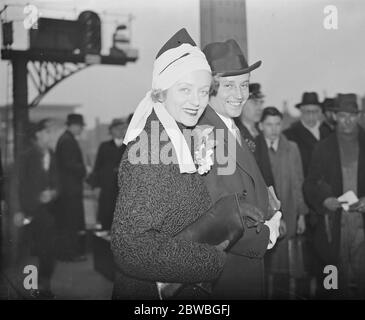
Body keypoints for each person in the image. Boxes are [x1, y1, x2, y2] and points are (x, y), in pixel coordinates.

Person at [111, 28, 234, 300]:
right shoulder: (152, 149)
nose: (196, 101)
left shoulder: (175, 137)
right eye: (185, 89)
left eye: (203, 92)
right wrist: (211, 260)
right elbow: (130, 246)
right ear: (160, 93)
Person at [198, 39, 281, 299]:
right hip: (229, 270)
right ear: (209, 88)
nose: (239, 94)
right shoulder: (206, 133)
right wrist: (264, 235)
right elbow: (214, 213)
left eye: (244, 85)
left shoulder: (232, 127)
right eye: (229, 85)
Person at [304, 93, 365, 299]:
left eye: (352, 115)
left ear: (359, 116)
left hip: (361, 225)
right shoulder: (322, 148)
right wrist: (324, 201)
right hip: (334, 224)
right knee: (335, 284)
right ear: (335, 117)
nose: (347, 120)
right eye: (342, 115)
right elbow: (310, 184)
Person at [255, 107, 308, 298]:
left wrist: (301, 214)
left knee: (285, 267)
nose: (274, 129)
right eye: (269, 124)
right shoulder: (253, 148)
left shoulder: (291, 148)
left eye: (277, 124)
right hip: (264, 216)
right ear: (260, 126)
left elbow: (298, 182)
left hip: (289, 211)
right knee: (263, 267)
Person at [18, 119, 59, 299]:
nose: (52, 135)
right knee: (31, 253)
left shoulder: (51, 154)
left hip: (48, 212)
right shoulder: (27, 155)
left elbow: (58, 183)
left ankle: (43, 288)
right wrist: (19, 210)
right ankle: (32, 289)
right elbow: (17, 185)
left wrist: (53, 193)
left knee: (47, 251)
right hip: (29, 211)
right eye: (49, 131)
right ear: (38, 134)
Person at [55, 113, 87, 262]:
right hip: (70, 189)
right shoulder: (68, 141)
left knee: (68, 222)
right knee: (71, 223)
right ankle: (70, 254)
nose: (81, 129)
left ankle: (67, 253)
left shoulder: (65, 139)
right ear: (73, 126)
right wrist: (84, 169)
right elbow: (70, 164)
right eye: (80, 126)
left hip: (67, 189)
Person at [88, 118, 127, 230]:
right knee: (106, 218)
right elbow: (97, 167)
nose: (120, 131)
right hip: (106, 189)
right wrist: (96, 186)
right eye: (117, 128)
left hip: (122, 190)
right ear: (111, 131)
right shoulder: (104, 146)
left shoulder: (129, 146)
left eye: (123, 128)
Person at [284, 92, 332, 177]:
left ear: (320, 112)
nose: (311, 116)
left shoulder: (329, 132)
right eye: (307, 112)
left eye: (314, 111)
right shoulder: (289, 135)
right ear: (301, 111)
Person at [234, 83, 265, 152]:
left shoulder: (260, 132)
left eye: (261, 103)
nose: (259, 108)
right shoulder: (234, 133)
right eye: (255, 103)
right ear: (242, 104)